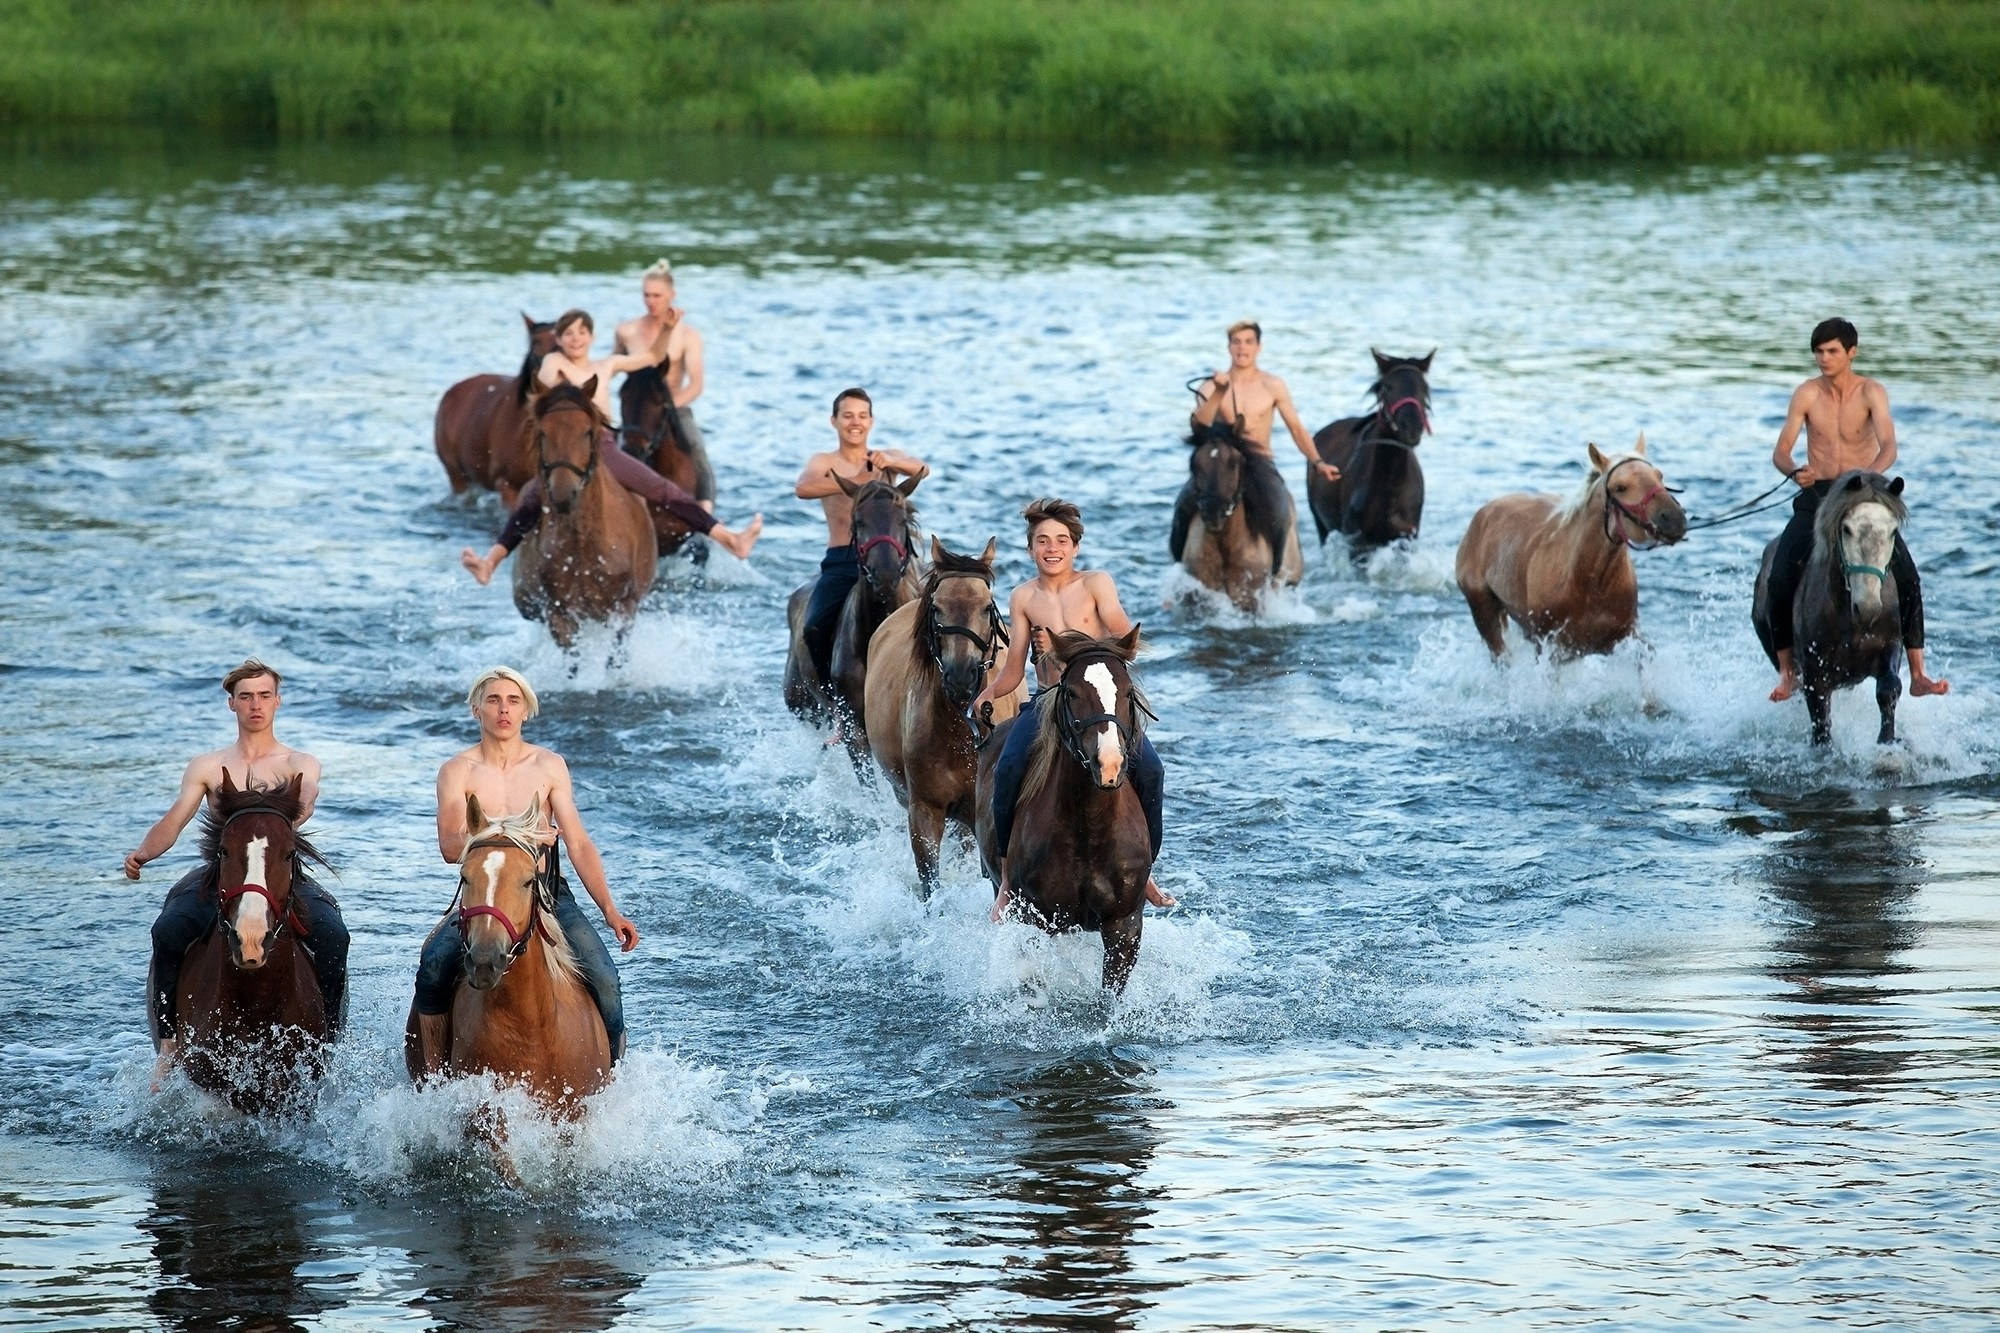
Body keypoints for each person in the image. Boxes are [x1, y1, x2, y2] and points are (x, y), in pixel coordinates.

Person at [125, 659, 349, 1087]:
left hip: (282, 876)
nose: (255, 705)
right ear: (232, 704)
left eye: (264, 695)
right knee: (168, 930)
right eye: (245, 696)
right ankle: (170, 1044)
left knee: (334, 936)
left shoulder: (299, 763)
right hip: (223, 876)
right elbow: (175, 821)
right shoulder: (208, 766)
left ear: (277, 701)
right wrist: (143, 854)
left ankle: (331, 1045)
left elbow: (304, 805)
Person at [412, 666, 640, 1074]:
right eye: (494, 700)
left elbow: (579, 843)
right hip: (482, 896)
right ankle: (430, 1088)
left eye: (513, 701)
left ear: (525, 711)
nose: (504, 709)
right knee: (432, 968)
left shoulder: (548, 766)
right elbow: (450, 846)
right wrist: (524, 834)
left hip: (547, 892)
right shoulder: (457, 771)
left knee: (605, 977)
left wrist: (609, 909)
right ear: (476, 709)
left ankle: (615, 1083)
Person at [972, 498, 1175, 922]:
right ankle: (1008, 878)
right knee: (1008, 766)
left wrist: (1068, 647)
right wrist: (989, 693)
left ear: (1075, 547)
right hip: (1049, 702)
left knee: (1151, 769)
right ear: (1030, 549)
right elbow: (1014, 669)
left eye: (1061, 540)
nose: (1052, 548)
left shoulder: (1096, 584)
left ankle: (1146, 873)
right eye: (1042, 540)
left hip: (1098, 702)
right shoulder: (1023, 597)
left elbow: (1125, 645)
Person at [460, 309, 761, 583]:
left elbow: (654, 356)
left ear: (591, 337)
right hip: (566, 450)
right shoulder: (554, 364)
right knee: (531, 498)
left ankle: (730, 539)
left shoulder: (607, 365)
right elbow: (544, 385)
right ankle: (490, 562)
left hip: (602, 446)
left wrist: (668, 330)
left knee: (662, 488)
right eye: (568, 333)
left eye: (581, 332)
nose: (575, 339)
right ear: (560, 340)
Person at [1765, 317, 1948, 703]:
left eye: (1832, 351)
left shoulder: (1871, 392)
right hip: (1819, 496)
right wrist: (1794, 470)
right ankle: (1787, 673)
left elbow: (1889, 446)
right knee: (1779, 576)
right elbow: (1781, 451)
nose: (1824, 358)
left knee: (1909, 576)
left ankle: (1917, 673)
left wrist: (1869, 476)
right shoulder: (1807, 394)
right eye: (1818, 351)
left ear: (1851, 352)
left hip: (1865, 492)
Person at [792, 387, 930, 693]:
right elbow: (803, 488)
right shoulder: (824, 461)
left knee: (931, 615)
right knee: (814, 625)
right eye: (848, 416)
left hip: (890, 559)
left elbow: (922, 469)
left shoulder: (886, 458)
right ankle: (835, 701)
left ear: (871, 421)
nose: (855, 422)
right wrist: (856, 483)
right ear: (834, 421)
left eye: (862, 416)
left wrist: (893, 464)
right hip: (843, 559)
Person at [613, 259, 715, 508]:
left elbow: (696, 384)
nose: (651, 301)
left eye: (657, 295)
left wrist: (668, 407)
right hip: (636, 410)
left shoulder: (688, 336)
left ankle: (705, 510)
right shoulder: (626, 331)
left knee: (696, 450)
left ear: (672, 295)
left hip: (672, 406)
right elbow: (614, 367)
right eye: (646, 295)